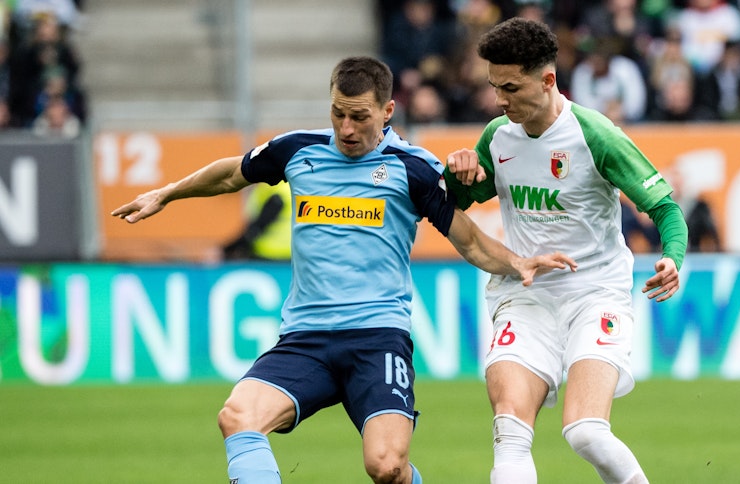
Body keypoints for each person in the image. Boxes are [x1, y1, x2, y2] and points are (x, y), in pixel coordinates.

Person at [111, 56, 576, 484]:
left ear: (388, 111)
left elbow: (469, 240)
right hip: (305, 339)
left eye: (359, 117)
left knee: (387, 467)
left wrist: (518, 262)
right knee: (237, 416)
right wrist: (167, 193)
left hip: (377, 338)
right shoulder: (298, 150)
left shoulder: (413, 168)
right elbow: (233, 173)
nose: (346, 128)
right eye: (338, 113)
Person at [444, 18, 688, 483]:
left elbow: (666, 209)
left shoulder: (595, 135)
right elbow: (456, 201)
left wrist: (671, 257)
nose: (500, 100)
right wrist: (458, 172)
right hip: (524, 294)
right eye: (495, 87)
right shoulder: (498, 136)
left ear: (547, 80)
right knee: (510, 432)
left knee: (586, 432)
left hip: (594, 294)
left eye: (511, 88)